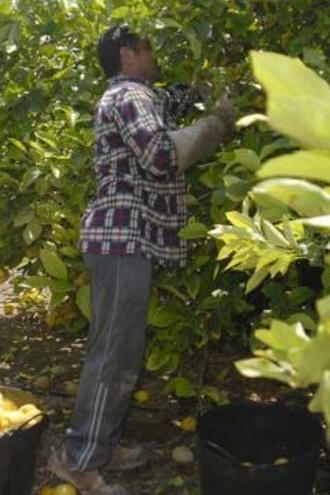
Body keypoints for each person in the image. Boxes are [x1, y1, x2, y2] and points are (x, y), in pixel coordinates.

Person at [48, 24, 235, 494]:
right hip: (119, 239)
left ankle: (100, 444)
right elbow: (160, 153)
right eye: (148, 47)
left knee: (122, 351)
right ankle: (80, 460)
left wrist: (209, 83)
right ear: (127, 55)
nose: (155, 54)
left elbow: (172, 102)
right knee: (113, 354)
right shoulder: (129, 94)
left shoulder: (139, 96)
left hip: (125, 241)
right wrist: (218, 123)